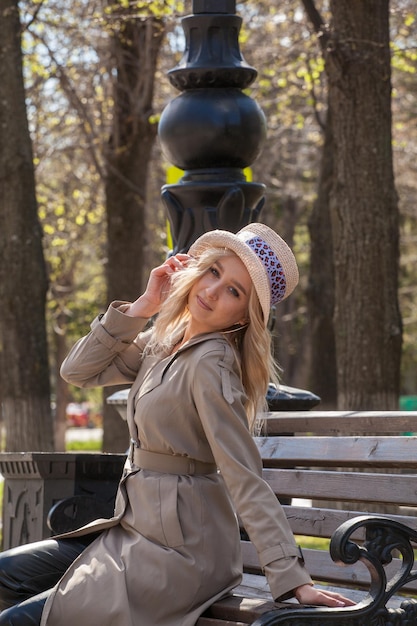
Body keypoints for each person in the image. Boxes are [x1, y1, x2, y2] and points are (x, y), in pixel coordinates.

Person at [0, 223, 354, 625]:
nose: (212, 291)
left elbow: (244, 476)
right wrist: (143, 306)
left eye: (234, 291)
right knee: (8, 573)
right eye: (214, 272)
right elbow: (77, 371)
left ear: (243, 316)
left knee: (19, 620)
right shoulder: (167, 341)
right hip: (131, 530)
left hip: (180, 552)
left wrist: (292, 577)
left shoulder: (211, 365)